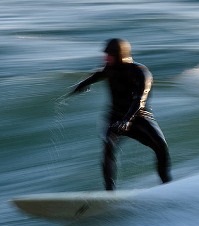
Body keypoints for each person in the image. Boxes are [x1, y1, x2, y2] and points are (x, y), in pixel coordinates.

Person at [71, 38, 172, 190]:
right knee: (108, 146)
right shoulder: (109, 68)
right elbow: (98, 75)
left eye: (109, 55)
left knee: (161, 146)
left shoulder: (140, 72)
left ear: (120, 55)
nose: (105, 58)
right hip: (115, 116)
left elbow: (139, 101)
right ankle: (110, 192)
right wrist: (82, 84)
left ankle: (167, 185)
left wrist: (127, 120)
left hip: (139, 116)